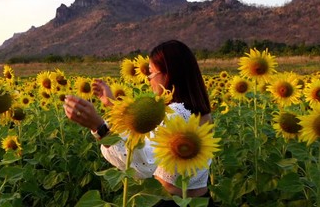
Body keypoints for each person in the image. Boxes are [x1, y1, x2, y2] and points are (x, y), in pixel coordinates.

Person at [63, 40, 214, 206]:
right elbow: (142, 137)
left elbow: (144, 166)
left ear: (168, 74)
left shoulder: (175, 113)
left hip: (170, 202)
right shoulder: (200, 112)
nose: (148, 79)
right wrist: (114, 104)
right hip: (202, 200)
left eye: (150, 72)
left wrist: (99, 127)